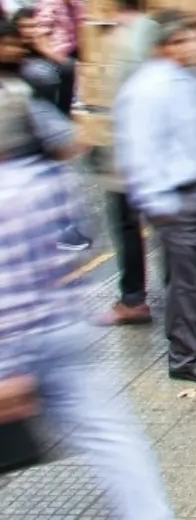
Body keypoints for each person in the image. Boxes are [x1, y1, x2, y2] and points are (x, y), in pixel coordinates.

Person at [0, 127, 176, 518]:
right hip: (67, 329)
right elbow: (80, 246)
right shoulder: (48, 177)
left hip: (12, 343)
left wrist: (9, 369)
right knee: (113, 438)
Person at [114, 12, 196, 383]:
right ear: (162, 48)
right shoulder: (149, 87)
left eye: (191, 39)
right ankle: (186, 358)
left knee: (192, 277)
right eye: (180, 42)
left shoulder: (188, 80)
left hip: (195, 190)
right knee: (185, 282)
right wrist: (159, 203)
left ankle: (188, 346)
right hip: (174, 198)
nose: (191, 47)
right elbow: (139, 150)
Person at [96, 0, 162, 326]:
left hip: (128, 152)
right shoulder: (155, 32)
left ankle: (133, 299)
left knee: (125, 223)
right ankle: (176, 285)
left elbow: (118, 101)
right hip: (158, 152)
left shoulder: (119, 40)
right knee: (161, 220)